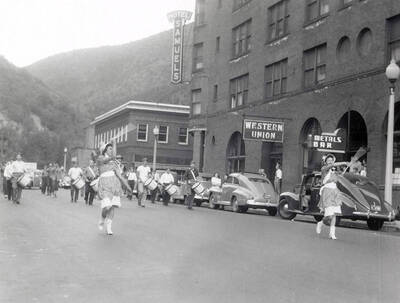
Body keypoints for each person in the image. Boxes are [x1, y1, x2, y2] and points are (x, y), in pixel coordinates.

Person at [97, 142, 130, 235]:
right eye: (110, 149)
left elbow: (120, 176)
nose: (112, 150)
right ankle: (102, 218)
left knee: (112, 207)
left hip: (114, 184)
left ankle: (109, 227)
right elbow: (110, 158)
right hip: (104, 184)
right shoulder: (101, 158)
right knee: (107, 206)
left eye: (112, 148)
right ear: (105, 150)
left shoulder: (114, 163)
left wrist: (127, 186)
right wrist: (115, 144)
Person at [316, 154, 348, 240]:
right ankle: (321, 223)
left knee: (334, 215)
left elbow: (340, 176)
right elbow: (333, 165)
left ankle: (332, 234)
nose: (330, 161)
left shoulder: (335, 172)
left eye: (331, 160)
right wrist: (344, 162)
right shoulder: (324, 169)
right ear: (325, 162)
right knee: (329, 215)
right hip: (327, 191)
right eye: (328, 160)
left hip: (335, 191)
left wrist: (345, 168)